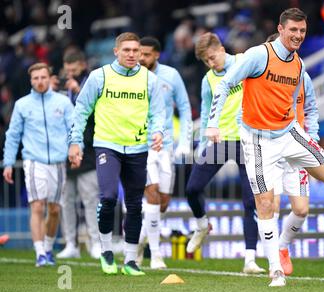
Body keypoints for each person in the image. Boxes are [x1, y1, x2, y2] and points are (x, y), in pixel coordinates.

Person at [205, 8, 324, 287]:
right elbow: (226, 83)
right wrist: (213, 123)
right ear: (280, 29)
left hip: (290, 133)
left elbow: (295, 103)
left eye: (302, 31)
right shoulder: (258, 55)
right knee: (265, 203)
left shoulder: (299, 65)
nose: (298, 35)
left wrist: (307, 134)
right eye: (293, 30)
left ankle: (282, 244)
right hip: (258, 140)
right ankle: (275, 269)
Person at [68, 32, 165, 276]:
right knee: (109, 197)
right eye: (127, 51)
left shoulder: (148, 79)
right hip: (107, 145)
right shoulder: (99, 76)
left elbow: (158, 112)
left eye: (136, 51)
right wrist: (75, 142)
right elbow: (81, 110)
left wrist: (158, 132)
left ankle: (131, 260)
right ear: (116, 52)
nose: (132, 55)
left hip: (138, 148)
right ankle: (106, 250)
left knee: (133, 205)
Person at [185, 32, 265, 274]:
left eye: (212, 58)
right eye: (206, 62)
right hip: (220, 141)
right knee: (192, 188)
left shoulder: (244, 62)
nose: (211, 64)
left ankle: (250, 259)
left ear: (221, 48)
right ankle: (201, 225)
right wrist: (201, 146)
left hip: (247, 140)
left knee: (250, 201)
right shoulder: (208, 79)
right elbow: (208, 109)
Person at [3, 62, 74, 267]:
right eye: (35, 78)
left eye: (43, 77)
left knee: (54, 210)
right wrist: (8, 163)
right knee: (37, 206)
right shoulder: (22, 105)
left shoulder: (63, 102)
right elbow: (13, 136)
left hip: (59, 163)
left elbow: (73, 130)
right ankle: (40, 253)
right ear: (31, 80)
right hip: (33, 161)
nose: (40, 81)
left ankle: (49, 248)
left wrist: (75, 150)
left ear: (49, 78)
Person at [136, 36, 193, 269]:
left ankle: (138, 243)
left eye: (147, 54)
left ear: (157, 55)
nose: (141, 58)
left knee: (163, 202)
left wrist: (185, 142)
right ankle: (156, 254)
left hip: (166, 146)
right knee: (152, 194)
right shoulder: (132, 77)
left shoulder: (171, 75)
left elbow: (186, 107)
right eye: (140, 53)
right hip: (142, 145)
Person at [266, 32, 319, 277]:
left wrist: (313, 139)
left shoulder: (301, 75)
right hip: (270, 148)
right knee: (272, 205)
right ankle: (273, 262)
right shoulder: (262, 80)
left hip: (295, 148)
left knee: (301, 210)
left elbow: (311, 108)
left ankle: (282, 247)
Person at [55, 50, 101, 260]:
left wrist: (81, 91)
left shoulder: (93, 81)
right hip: (63, 151)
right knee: (66, 200)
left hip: (88, 151)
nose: (70, 73)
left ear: (82, 65)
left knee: (90, 200)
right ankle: (71, 243)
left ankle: (95, 243)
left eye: (74, 69)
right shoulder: (61, 86)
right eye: (68, 69)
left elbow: (100, 110)